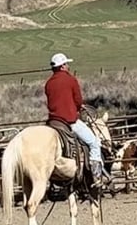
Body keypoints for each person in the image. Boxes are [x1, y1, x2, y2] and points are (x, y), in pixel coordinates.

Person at [44, 52, 105, 187]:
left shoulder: (48, 84)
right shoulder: (70, 80)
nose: (68, 66)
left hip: (53, 122)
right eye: (66, 64)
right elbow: (77, 100)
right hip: (69, 121)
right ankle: (96, 177)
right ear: (62, 67)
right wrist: (79, 106)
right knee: (94, 143)